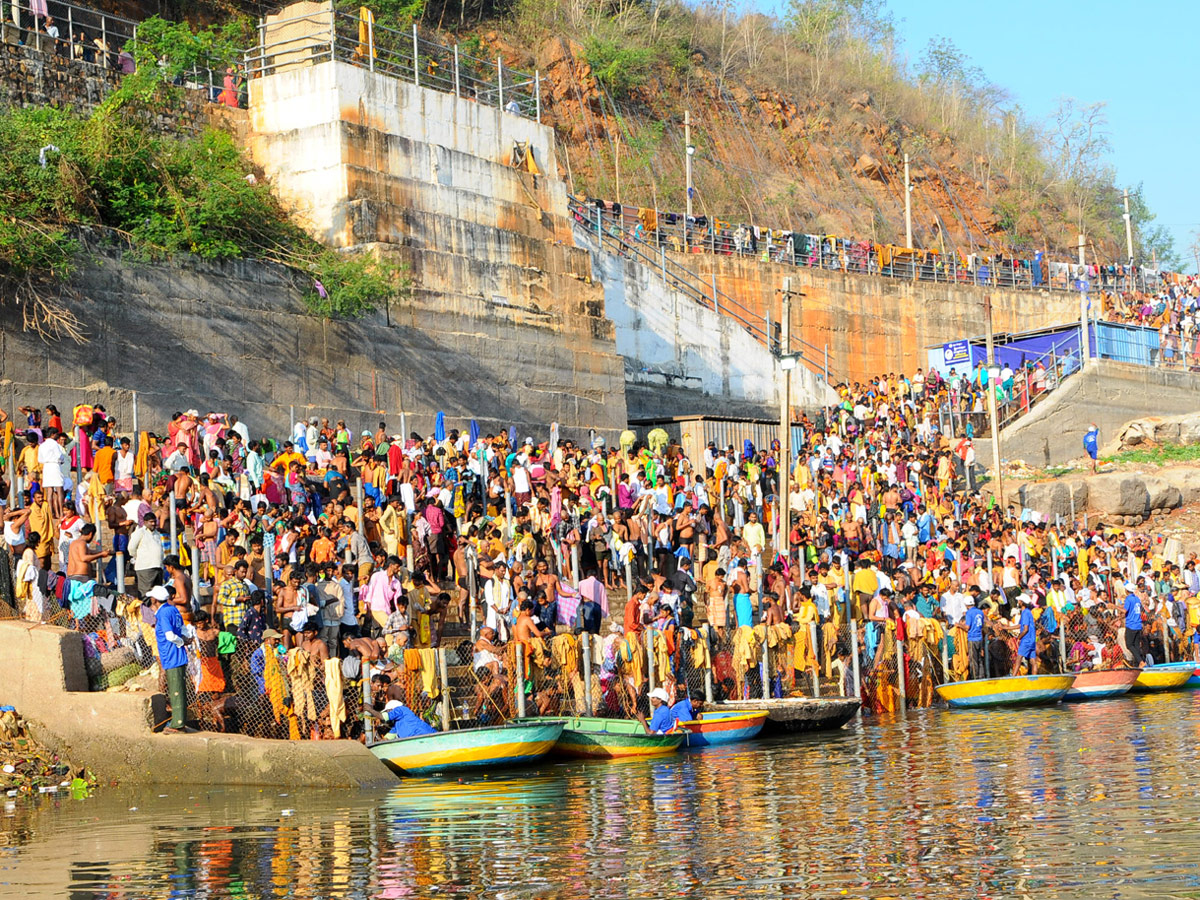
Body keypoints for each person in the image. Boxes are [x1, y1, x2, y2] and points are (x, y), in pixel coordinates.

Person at [150, 585, 195, 733]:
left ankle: (178, 723)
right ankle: (179, 719)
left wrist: (182, 641)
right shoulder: (173, 609)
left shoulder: (163, 613)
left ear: (155, 600)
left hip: (171, 655)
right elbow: (182, 628)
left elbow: (170, 635)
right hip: (178, 654)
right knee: (179, 688)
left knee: (175, 690)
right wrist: (186, 639)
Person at [365, 681, 437, 739]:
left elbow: (383, 716)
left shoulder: (400, 710)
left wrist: (370, 709)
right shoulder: (397, 725)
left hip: (427, 735)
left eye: (388, 711)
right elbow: (387, 739)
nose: (389, 713)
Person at [128, 513, 165, 596]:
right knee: (145, 592)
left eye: (154, 522)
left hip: (158, 566)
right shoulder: (140, 532)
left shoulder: (157, 533)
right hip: (145, 567)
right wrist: (138, 557)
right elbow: (131, 548)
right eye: (151, 522)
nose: (153, 524)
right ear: (145, 522)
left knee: (157, 593)